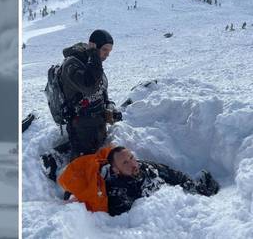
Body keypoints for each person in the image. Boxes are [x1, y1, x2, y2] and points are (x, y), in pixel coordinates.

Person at [41, 30, 122, 181]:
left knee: (96, 152)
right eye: (104, 49)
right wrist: (93, 55)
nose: (107, 55)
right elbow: (89, 86)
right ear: (93, 45)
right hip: (81, 125)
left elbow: (102, 93)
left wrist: (110, 107)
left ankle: (58, 154)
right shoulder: (72, 65)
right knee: (82, 171)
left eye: (109, 51)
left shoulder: (94, 65)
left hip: (98, 123)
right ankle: (69, 193)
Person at [58, 146, 219, 216]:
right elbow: (130, 216)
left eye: (131, 157)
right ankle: (55, 163)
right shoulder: (117, 193)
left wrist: (196, 188)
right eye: (125, 163)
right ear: (116, 170)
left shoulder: (143, 166)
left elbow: (171, 174)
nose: (133, 164)